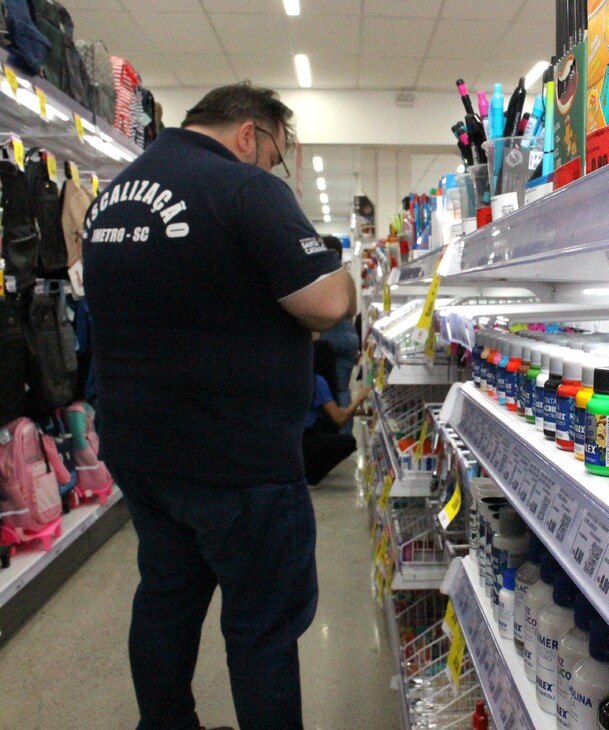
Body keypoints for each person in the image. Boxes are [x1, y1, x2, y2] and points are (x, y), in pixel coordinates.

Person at [82, 82, 355, 730]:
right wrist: (342, 278)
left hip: (141, 450)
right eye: (276, 155)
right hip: (237, 459)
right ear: (249, 134)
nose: (273, 168)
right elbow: (324, 304)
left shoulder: (114, 195)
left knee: (165, 599)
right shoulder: (245, 188)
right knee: (262, 626)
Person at [303, 340, 369, 486]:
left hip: (298, 436)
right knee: (348, 443)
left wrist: (361, 411)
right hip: (306, 438)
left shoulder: (307, 377)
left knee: (329, 425)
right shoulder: (318, 381)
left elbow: (334, 411)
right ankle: (311, 475)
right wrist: (359, 398)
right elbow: (338, 418)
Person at [317, 237, 362, 433]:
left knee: (325, 385)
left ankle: (332, 429)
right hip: (348, 333)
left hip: (329, 332)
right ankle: (345, 432)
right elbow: (352, 310)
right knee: (342, 386)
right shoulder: (346, 277)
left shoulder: (318, 277)